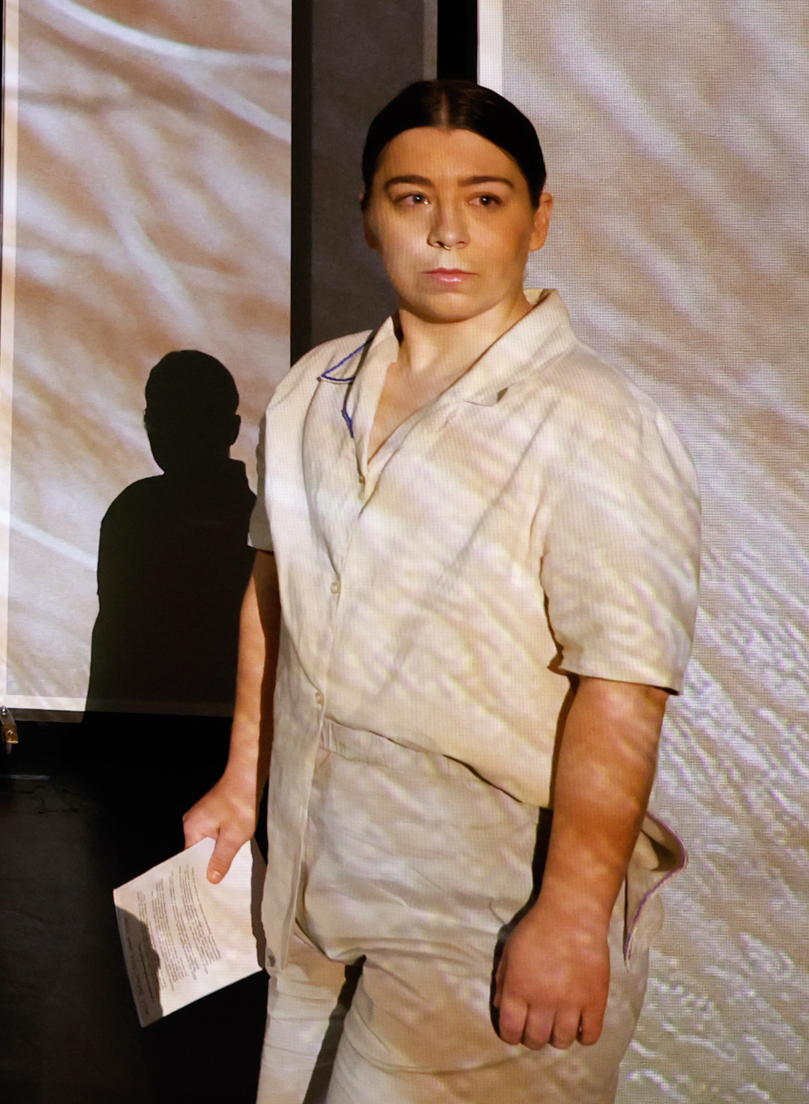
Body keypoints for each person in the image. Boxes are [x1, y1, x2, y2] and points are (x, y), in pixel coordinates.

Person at [184, 80, 698, 1102]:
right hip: (315, 868)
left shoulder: (596, 422)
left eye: (485, 198)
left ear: (537, 220)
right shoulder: (312, 389)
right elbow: (274, 591)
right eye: (412, 197)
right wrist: (243, 780)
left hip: (489, 897)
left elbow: (623, 683)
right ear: (368, 215)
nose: (446, 230)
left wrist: (571, 910)